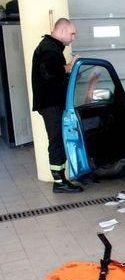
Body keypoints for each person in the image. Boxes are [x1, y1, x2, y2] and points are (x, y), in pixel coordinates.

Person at [32, 18, 83, 193]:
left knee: (59, 139)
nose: (73, 38)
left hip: (52, 103)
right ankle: (59, 182)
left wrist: (70, 73)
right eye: (72, 34)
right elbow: (49, 72)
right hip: (51, 105)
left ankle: (62, 179)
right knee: (56, 140)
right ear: (62, 31)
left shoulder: (50, 47)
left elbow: (54, 77)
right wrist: (70, 66)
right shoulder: (50, 49)